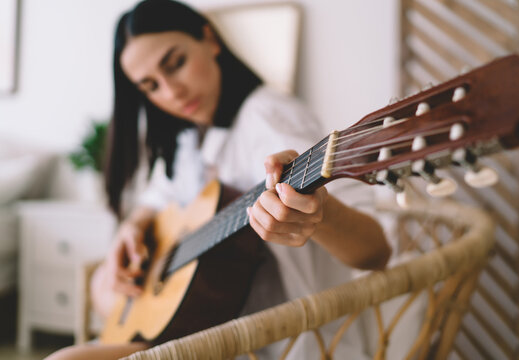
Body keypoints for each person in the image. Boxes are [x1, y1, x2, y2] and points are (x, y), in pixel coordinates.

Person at [46, 0, 391, 359]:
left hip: (284, 342)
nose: (171, 92)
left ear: (209, 39)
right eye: (151, 86)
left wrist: (320, 212)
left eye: (175, 63)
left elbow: (376, 252)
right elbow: (158, 196)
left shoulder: (270, 118)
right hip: (215, 332)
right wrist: (132, 227)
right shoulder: (191, 137)